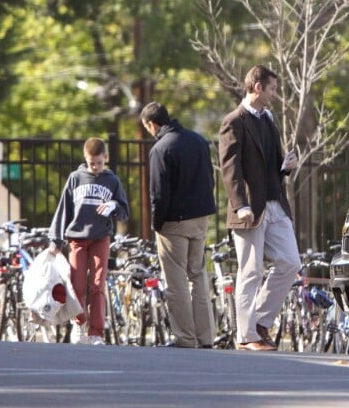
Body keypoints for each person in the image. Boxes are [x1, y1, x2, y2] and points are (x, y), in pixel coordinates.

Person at [218, 65, 301, 351]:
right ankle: (247, 335)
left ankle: (261, 322)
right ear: (257, 87)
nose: (275, 94)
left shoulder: (269, 120)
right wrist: (240, 205)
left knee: (291, 262)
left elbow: (272, 164)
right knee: (250, 271)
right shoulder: (234, 122)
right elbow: (230, 170)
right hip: (250, 210)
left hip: (276, 204)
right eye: (272, 89)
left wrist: (286, 167)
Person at [141, 101, 216, 349]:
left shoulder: (161, 149)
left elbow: (158, 194)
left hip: (174, 222)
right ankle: (206, 337)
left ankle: (185, 337)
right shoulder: (198, 140)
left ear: (153, 124)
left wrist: (156, 223)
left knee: (177, 281)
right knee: (198, 275)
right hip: (201, 218)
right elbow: (210, 178)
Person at [48, 137, 129, 345]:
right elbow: (64, 208)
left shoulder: (112, 180)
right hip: (77, 238)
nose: (95, 167)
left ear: (106, 159)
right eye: (92, 163)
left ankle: (96, 332)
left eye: (100, 163)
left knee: (97, 284)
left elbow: (125, 212)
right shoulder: (76, 178)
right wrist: (55, 239)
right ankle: (78, 323)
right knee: (77, 284)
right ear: (86, 159)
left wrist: (114, 206)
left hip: (100, 237)